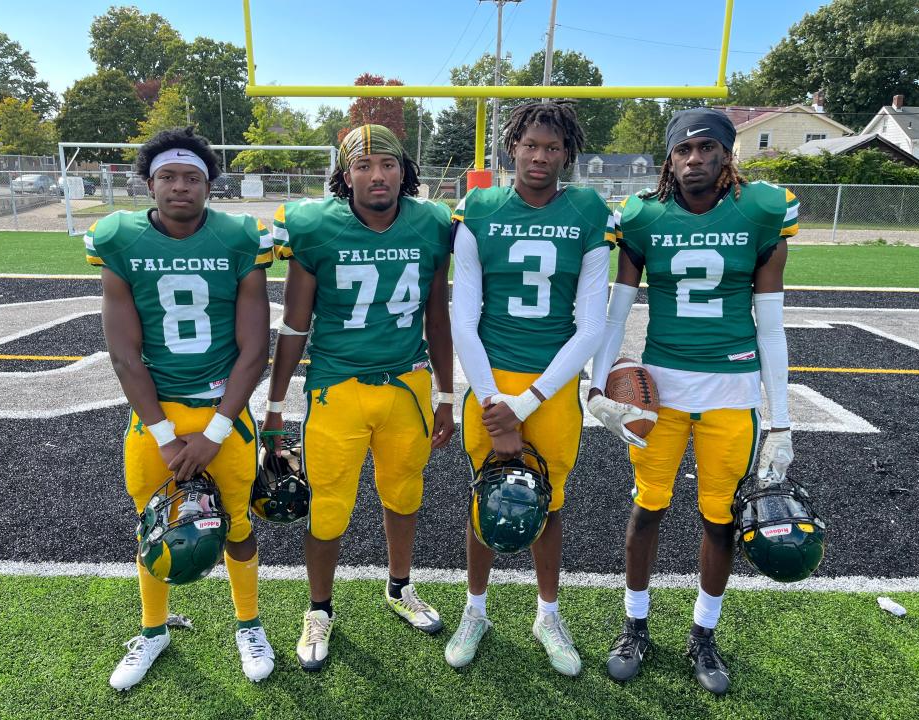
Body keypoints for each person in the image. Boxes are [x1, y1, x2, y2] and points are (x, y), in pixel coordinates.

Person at [588, 107, 798, 695]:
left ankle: (704, 633)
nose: (695, 160)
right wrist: (597, 386)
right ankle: (635, 624)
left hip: (731, 394)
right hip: (661, 395)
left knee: (719, 517)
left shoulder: (760, 211)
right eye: (684, 150)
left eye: (708, 148)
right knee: (647, 507)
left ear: (727, 155)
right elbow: (616, 311)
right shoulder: (643, 216)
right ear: (669, 158)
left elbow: (772, 326)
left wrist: (780, 421)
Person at [85, 127, 276, 690]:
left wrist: (215, 431)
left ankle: (249, 623)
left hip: (224, 410)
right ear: (149, 183)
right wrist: (166, 435)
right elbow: (123, 353)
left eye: (193, 177)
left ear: (209, 185)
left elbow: (254, 350)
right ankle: (153, 630)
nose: (180, 187)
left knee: (239, 526)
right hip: (157, 414)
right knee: (152, 524)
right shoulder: (119, 240)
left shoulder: (241, 238)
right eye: (168, 176)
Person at [264, 124, 455, 672]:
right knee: (328, 508)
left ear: (404, 171)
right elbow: (295, 326)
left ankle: (399, 589)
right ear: (345, 175)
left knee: (403, 495)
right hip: (336, 388)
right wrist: (275, 407)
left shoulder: (432, 224)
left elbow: (437, 319)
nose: (378, 175)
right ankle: (318, 609)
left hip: (407, 385)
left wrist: (446, 393)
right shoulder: (314, 226)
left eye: (388, 164)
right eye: (365, 165)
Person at [445, 101, 614, 676]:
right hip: (492, 382)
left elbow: (591, 325)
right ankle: (476, 609)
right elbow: (462, 318)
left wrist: (526, 402)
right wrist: (495, 400)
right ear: (511, 145)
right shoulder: (481, 208)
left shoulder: (587, 209)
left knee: (550, 501)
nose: (539, 157)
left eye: (551, 147)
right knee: (486, 497)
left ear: (567, 152)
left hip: (552, 385)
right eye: (530, 145)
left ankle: (547, 613)